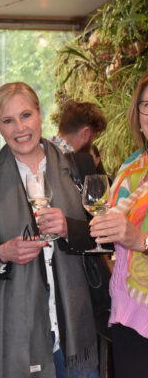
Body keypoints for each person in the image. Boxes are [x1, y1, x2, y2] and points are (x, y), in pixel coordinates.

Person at [0, 82, 99, 378]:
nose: (19, 128)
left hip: (74, 322)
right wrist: (2, 253)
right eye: (8, 120)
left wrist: (69, 228)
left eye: (26, 115)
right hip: (19, 326)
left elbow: (105, 236)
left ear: (40, 115)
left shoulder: (78, 165)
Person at [90, 72, 148, 378]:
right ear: (137, 117)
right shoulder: (130, 167)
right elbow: (111, 227)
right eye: (147, 105)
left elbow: (135, 238)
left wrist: (141, 240)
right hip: (128, 312)